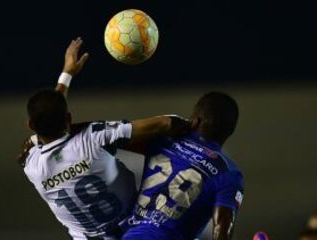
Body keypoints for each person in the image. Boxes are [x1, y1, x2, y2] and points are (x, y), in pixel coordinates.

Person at [17, 37, 191, 240]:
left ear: (30, 126)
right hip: (135, 229)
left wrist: (67, 75)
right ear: (69, 119)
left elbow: (49, 118)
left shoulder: (30, 164)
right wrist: (190, 125)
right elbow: (164, 124)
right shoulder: (94, 138)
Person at [122, 92, 244, 240]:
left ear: (195, 121)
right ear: (229, 132)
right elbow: (221, 231)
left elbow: (108, 137)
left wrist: (162, 122)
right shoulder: (229, 173)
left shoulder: (161, 140)